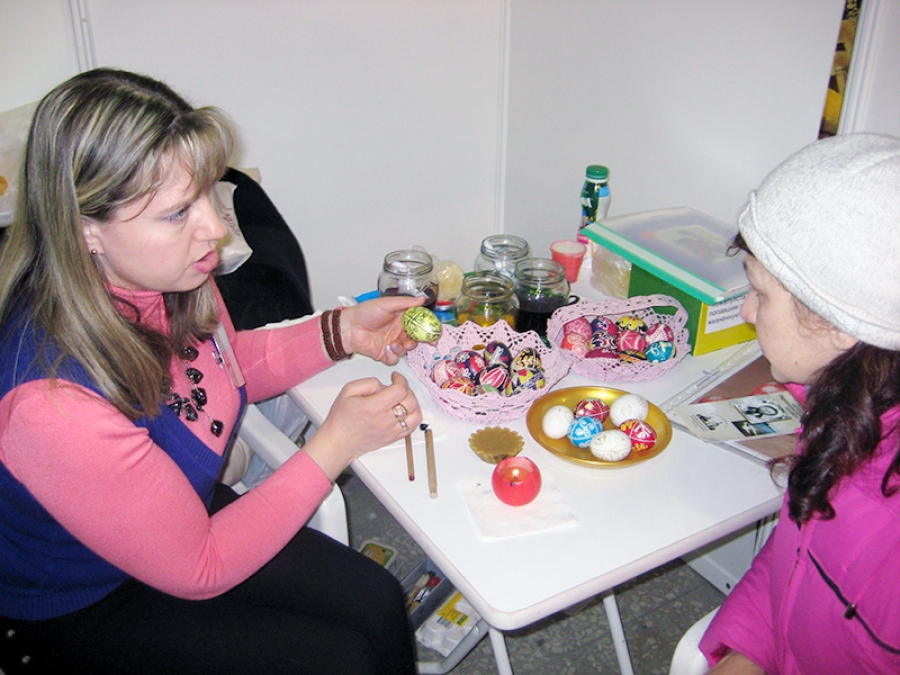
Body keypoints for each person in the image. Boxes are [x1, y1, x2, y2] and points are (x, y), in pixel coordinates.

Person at [0, 68, 424, 674]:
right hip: (82, 598)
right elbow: (200, 566)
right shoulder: (51, 404)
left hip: (176, 512)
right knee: (339, 659)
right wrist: (336, 444)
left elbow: (227, 366)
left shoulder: (170, 279)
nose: (217, 229)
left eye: (206, 194)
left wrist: (341, 332)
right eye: (177, 213)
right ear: (84, 228)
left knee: (377, 600)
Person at [698, 133, 900, 674]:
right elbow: (799, 559)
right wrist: (744, 652)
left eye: (760, 293)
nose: (747, 312)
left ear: (837, 323)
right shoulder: (846, 412)